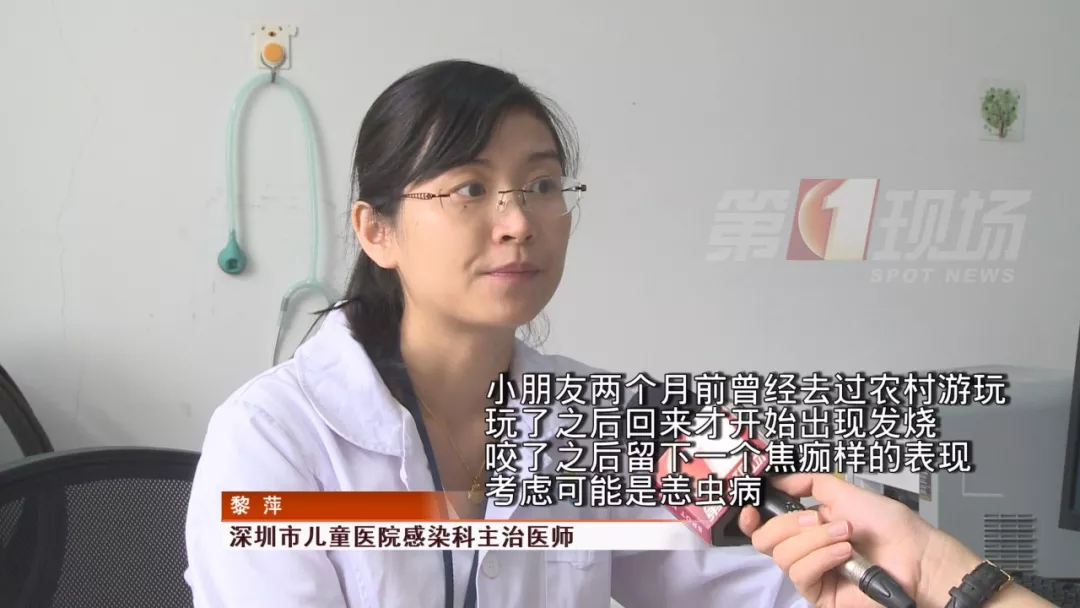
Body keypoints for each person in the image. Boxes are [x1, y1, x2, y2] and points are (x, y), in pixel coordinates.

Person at [184, 59, 1055, 608]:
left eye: (542, 185)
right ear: (376, 230)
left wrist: (889, 562)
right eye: (469, 189)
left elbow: (755, 581)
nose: (518, 221)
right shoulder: (272, 441)